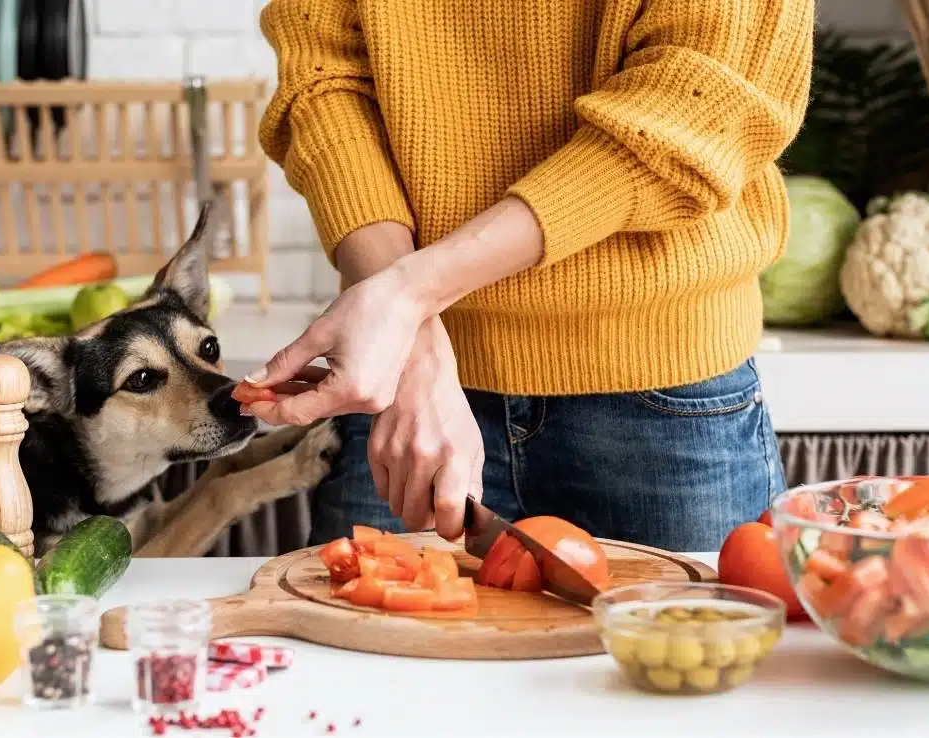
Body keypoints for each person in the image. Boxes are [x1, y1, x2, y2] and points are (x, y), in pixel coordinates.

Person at [245, 0, 815, 553]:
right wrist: (410, 340)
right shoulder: (404, 344)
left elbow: (695, 106)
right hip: (404, 388)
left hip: (665, 391)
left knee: (686, 651)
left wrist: (408, 296)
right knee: (362, 648)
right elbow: (323, 79)